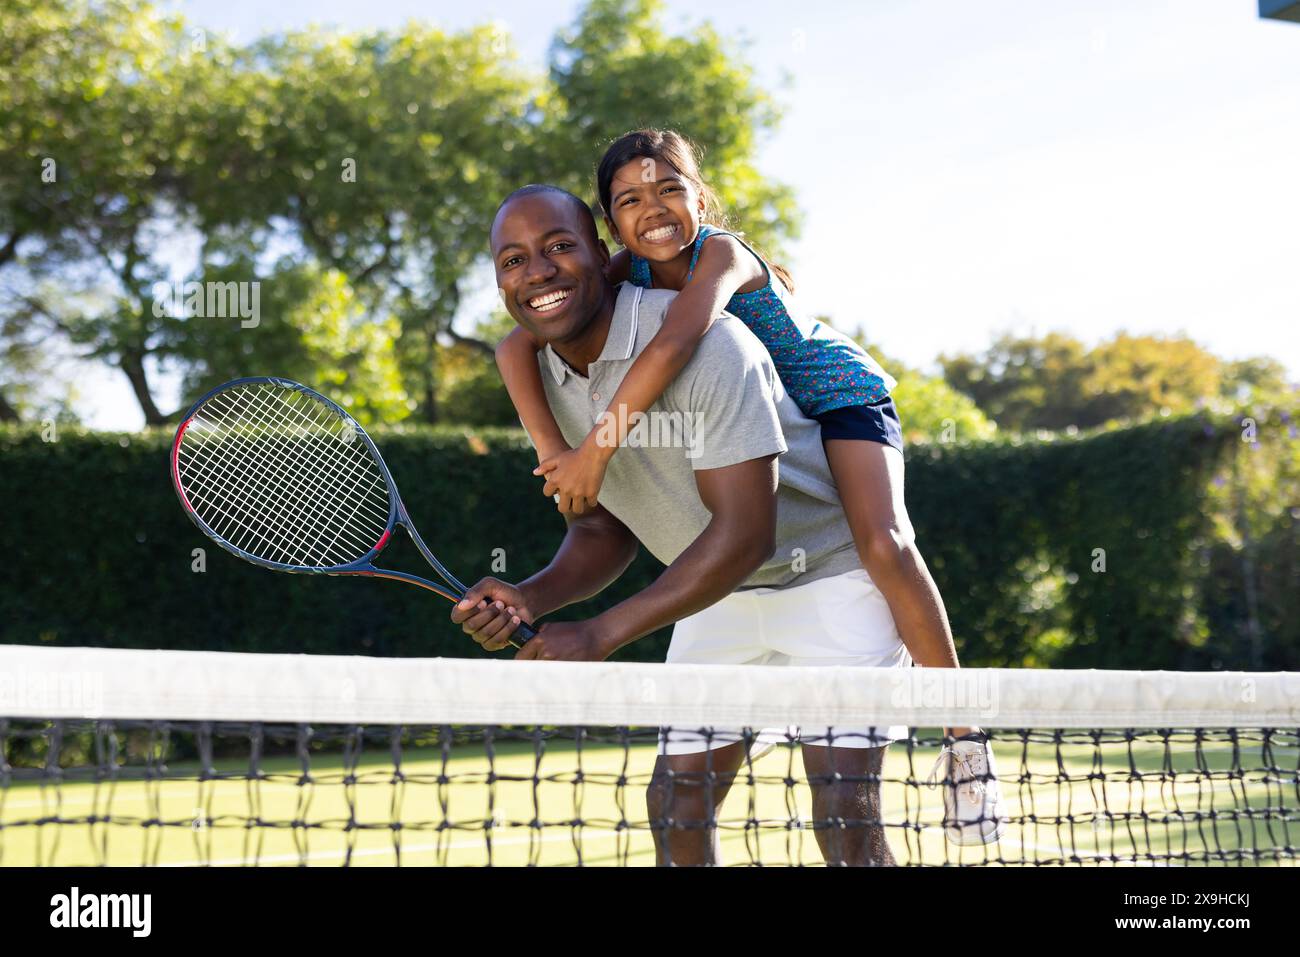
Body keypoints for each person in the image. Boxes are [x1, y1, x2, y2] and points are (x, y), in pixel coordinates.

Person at [452, 184, 1005, 864]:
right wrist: (533, 595)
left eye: (560, 246)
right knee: (675, 803)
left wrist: (599, 630)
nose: (536, 271)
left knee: (842, 814)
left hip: (830, 574)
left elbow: (746, 536)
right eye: (513, 260)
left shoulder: (710, 343)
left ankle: (962, 726)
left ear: (603, 254)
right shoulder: (537, 371)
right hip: (718, 592)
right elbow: (603, 530)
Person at [495, 131, 975, 748]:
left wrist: (596, 450)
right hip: (777, 413)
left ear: (701, 198)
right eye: (631, 200)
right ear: (612, 226)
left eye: (670, 190)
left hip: (839, 397)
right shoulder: (616, 270)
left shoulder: (721, 255)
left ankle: (966, 730)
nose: (653, 209)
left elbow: (677, 341)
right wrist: (552, 452)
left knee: (882, 543)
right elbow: (514, 344)